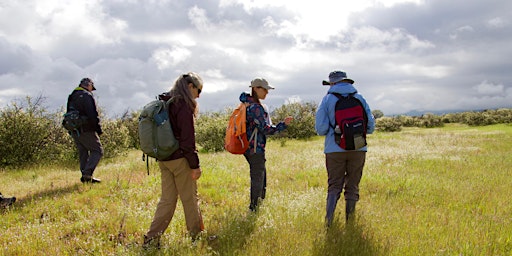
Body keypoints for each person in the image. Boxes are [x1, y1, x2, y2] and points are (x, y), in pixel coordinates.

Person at [144, 72, 205, 248]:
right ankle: (197, 238)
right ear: (190, 86)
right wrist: (195, 165)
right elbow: (187, 140)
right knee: (190, 199)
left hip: (164, 159)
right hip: (180, 160)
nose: (199, 96)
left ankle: (151, 239)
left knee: (167, 200)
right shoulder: (183, 105)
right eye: (198, 90)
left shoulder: (166, 102)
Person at [315, 70, 375, 226]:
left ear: (332, 84)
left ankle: (329, 222)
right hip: (358, 147)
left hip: (334, 149)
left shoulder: (327, 100)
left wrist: (335, 131)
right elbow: (370, 126)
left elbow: (320, 129)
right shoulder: (360, 98)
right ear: (347, 81)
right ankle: (350, 223)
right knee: (353, 185)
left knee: (334, 185)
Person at [239, 78, 293, 212]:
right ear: (255, 89)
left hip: (247, 147)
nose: (266, 93)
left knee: (260, 175)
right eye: (264, 89)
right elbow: (266, 129)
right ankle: (254, 208)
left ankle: (258, 205)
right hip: (255, 148)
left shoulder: (245, 104)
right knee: (258, 177)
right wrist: (283, 125)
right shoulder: (256, 108)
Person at [66, 78, 104, 183]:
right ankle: (87, 174)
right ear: (89, 85)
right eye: (92, 88)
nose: (92, 90)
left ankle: (85, 176)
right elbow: (92, 114)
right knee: (97, 150)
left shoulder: (72, 96)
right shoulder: (86, 96)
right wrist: (98, 129)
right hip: (86, 129)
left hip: (74, 129)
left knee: (83, 152)